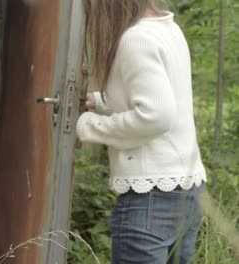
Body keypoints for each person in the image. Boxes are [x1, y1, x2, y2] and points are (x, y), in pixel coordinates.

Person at [76, 1, 207, 263]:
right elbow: (164, 98)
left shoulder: (136, 39)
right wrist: (101, 103)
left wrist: (87, 126)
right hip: (187, 191)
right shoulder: (168, 29)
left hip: (150, 199)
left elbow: (155, 116)